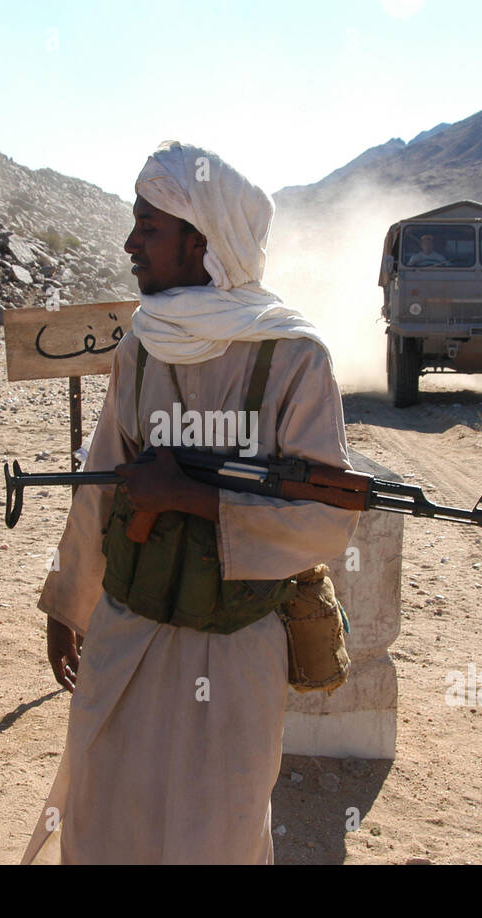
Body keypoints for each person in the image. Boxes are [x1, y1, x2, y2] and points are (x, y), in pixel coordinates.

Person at [21, 141, 359, 865]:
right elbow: (102, 480)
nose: (130, 243)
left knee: (216, 835)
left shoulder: (295, 357)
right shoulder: (141, 345)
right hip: (127, 628)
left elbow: (327, 521)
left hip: (235, 648)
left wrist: (195, 499)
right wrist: (68, 603)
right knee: (106, 820)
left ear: (200, 242)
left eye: (148, 226)